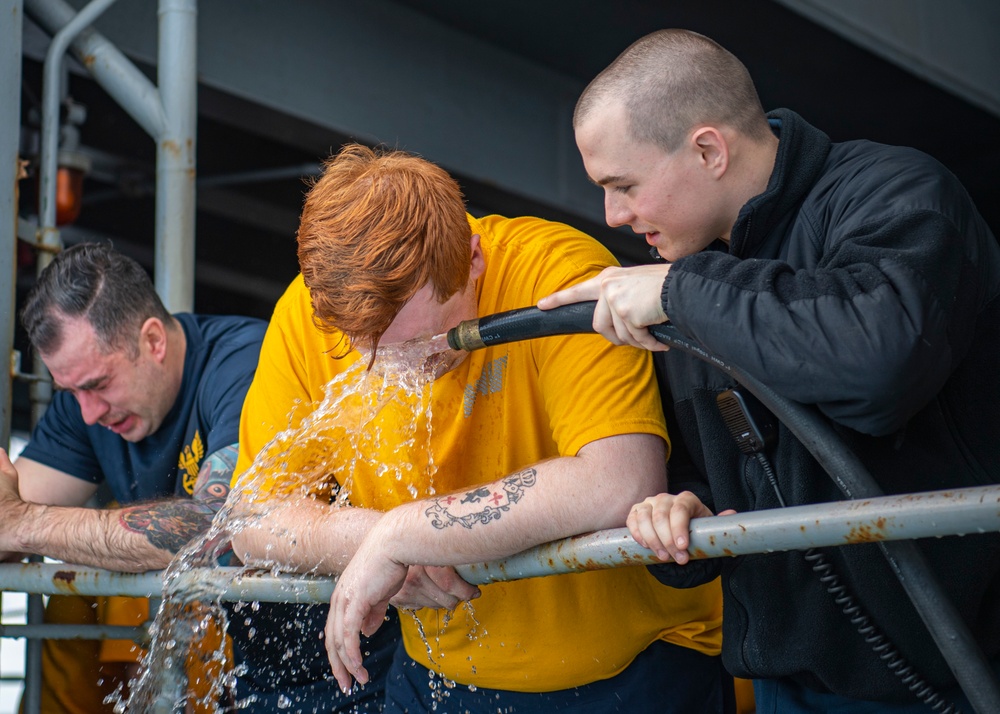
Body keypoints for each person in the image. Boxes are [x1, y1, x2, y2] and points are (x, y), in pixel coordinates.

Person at [538, 28, 1000, 713]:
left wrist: (679, 292)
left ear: (708, 150)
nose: (614, 215)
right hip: (787, 681)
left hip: (951, 674)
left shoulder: (894, 193)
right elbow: (714, 466)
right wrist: (683, 508)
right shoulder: (688, 278)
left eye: (624, 185)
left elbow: (879, 368)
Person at [230, 143, 730, 713]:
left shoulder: (555, 271)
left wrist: (403, 535)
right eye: (362, 349)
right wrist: (378, 542)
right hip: (435, 675)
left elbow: (619, 481)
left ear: (473, 259)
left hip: (634, 666)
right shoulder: (307, 309)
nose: (396, 372)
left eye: (421, 345)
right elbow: (251, 517)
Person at [1, 242, 267, 712]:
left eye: (98, 385)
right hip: (203, 653)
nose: (87, 413)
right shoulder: (85, 409)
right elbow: (7, 513)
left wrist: (26, 524)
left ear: (153, 341)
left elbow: (221, 525)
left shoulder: (244, 364)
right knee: (68, 598)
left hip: (309, 663)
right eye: (70, 391)